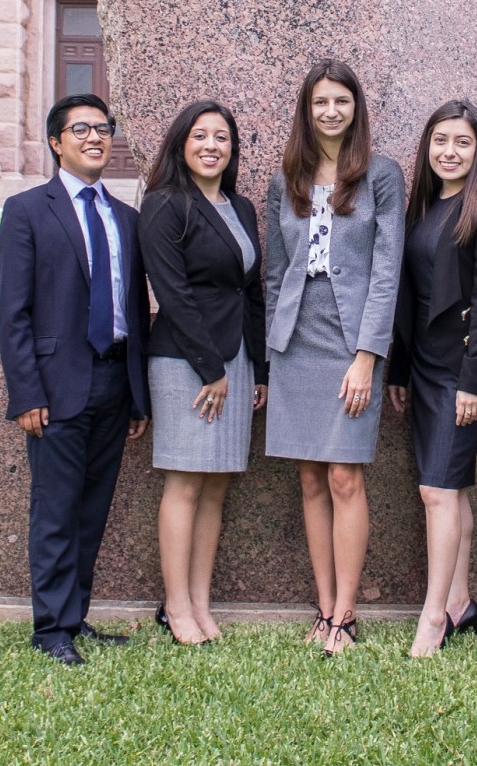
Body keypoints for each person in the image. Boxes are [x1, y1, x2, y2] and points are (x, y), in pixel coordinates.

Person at [0, 93, 150, 666]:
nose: (94, 138)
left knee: (91, 510)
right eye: (80, 129)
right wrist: (26, 392)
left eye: (103, 128)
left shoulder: (126, 218)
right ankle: (50, 629)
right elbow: (13, 312)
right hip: (56, 388)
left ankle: (74, 616)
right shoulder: (27, 210)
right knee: (56, 509)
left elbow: (135, 311)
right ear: (56, 143)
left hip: (114, 382)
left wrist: (137, 397)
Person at [265, 59, 405, 656]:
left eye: (341, 101)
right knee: (309, 477)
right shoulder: (286, 179)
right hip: (296, 339)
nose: (330, 111)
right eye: (320, 101)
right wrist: (271, 352)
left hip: (351, 340)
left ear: (356, 108)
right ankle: (323, 608)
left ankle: (346, 615)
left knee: (345, 475)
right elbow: (275, 273)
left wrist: (368, 355)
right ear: (306, 109)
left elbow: (387, 270)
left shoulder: (382, 175)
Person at [387, 100, 477, 657]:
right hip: (424, 366)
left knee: (436, 490)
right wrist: (399, 368)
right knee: (451, 487)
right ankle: (460, 604)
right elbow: (410, 296)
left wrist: (471, 380)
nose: (450, 151)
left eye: (462, 142)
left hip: (465, 369)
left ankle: (432, 617)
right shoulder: (424, 205)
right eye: (440, 140)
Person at [138, 101, 267, 645]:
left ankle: (199, 602)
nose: (211, 145)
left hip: (236, 360)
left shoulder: (241, 207)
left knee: (217, 484)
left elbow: (251, 291)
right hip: (185, 362)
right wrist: (211, 369)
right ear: (181, 143)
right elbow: (172, 293)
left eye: (221, 137)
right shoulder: (164, 204)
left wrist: (258, 368)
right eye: (200, 135)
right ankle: (174, 607)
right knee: (186, 481)